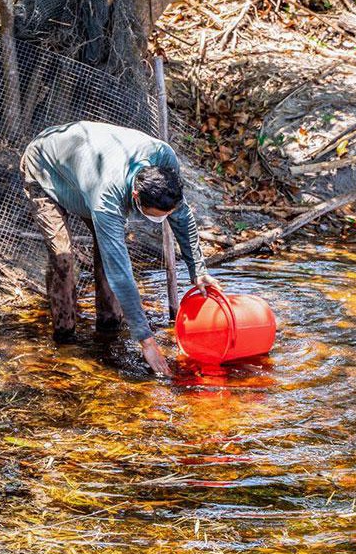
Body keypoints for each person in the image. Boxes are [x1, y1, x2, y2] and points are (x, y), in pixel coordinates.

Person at [20, 121, 222, 376]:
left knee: (106, 256)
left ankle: (109, 330)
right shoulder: (108, 198)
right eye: (158, 215)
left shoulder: (164, 158)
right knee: (64, 258)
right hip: (45, 169)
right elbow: (121, 272)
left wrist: (198, 270)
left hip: (83, 173)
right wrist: (146, 340)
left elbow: (182, 217)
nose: (164, 219)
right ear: (136, 197)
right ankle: (65, 340)